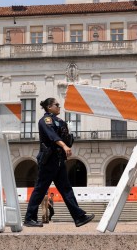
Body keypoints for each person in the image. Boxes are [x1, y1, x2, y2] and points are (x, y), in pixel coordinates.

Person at [23, 97, 94, 228]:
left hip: (59, 160)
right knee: (40, 189)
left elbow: (65, 138)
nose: (59, 107)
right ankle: (29, 218)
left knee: (67, 190)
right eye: (57, 105)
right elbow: (52, 136)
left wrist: (68, 135)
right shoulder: (45, 120)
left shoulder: (60, 121)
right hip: (49, 160)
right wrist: (64, 146)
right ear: (49, 107)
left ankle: (78, 217)